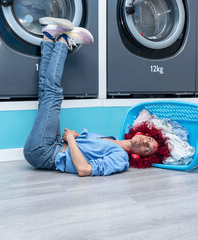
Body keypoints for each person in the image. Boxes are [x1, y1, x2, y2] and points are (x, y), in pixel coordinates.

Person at [23, 17, 171, 177]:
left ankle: (64, 42)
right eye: (148, 139)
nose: (144, 142)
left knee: (53, 95)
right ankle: (48, 38)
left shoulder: (121, 159)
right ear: (142, 133)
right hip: (55, 144)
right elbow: (85, 150)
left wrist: (71, 139)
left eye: (147, 149)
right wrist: (74, 138)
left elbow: (84, 169)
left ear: (139, 157)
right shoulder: (112, 138)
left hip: (45, 152)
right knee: (46, 94)